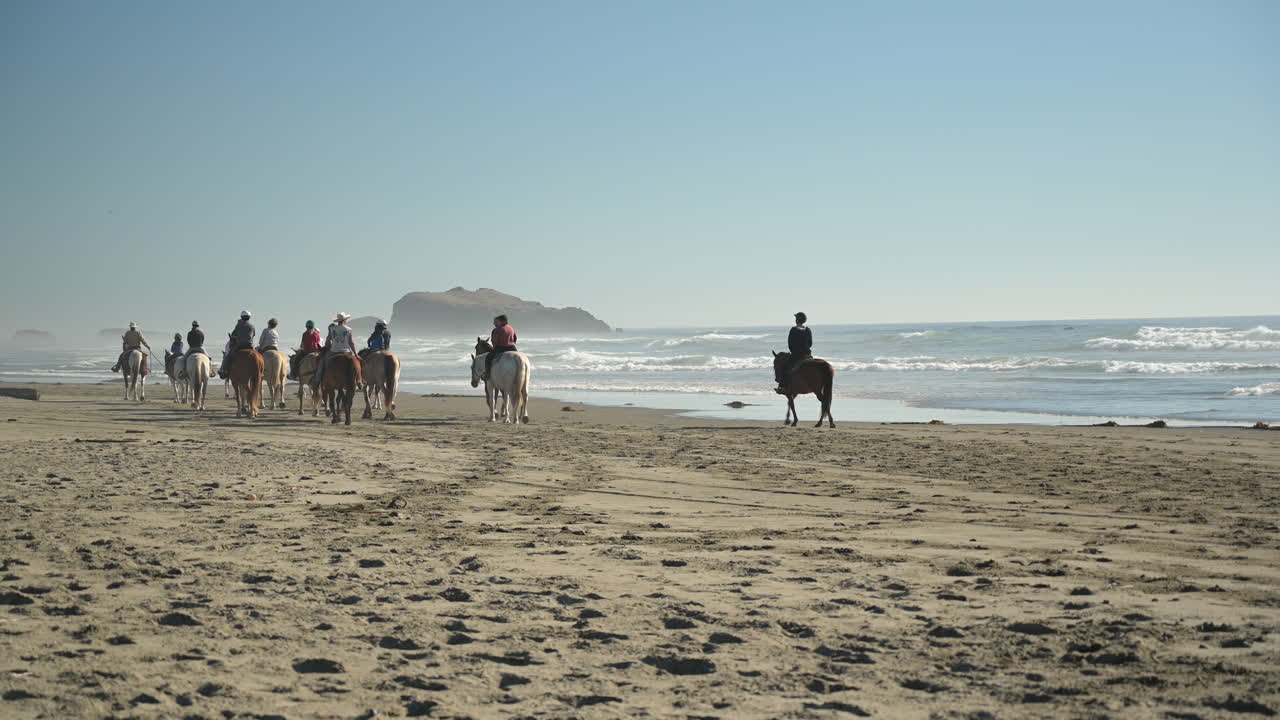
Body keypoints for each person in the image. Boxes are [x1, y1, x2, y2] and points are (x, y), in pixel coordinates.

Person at [311, 313, 355, 388]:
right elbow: (351, 342)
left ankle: (317, 381)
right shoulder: (349, 329)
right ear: (345, 320)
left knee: (322, 362)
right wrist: (355, 354)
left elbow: (328, 342)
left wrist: (329, 345)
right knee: (357, 362)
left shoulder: (332, 329)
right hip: (347, 351)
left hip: (334, 351)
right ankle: (360, 380)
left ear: (338, 321)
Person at [776, 312, 813, 394]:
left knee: (785, 368)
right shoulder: (808, 330)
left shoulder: (793, 329)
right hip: (807, 355)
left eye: (796, 318)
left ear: (797, 320)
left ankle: (782, 388)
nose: (795, 320)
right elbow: (810, 343)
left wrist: (794, 351)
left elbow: (790, 344)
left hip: (797, 355)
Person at [219, 311, 256, 379]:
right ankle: (262, 370)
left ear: (241, 317)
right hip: (250, 346)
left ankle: (224, 371)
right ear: (249, 317)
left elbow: (233, 335)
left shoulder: (238, 325)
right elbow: (253, 335)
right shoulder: (252, 326)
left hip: (239, 346)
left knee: (228, 356)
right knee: (258, 356)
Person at [483, 314, 517, 380]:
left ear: (502, 321)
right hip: (513, 348)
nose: (494, 323)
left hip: (501, 348)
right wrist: (511, 343)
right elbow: (515, 338)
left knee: (488, 358)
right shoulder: (511, 328)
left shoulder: (497, 330)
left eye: (496, 321)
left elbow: (495, 341)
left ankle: (487, 374)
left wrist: (494, 348)